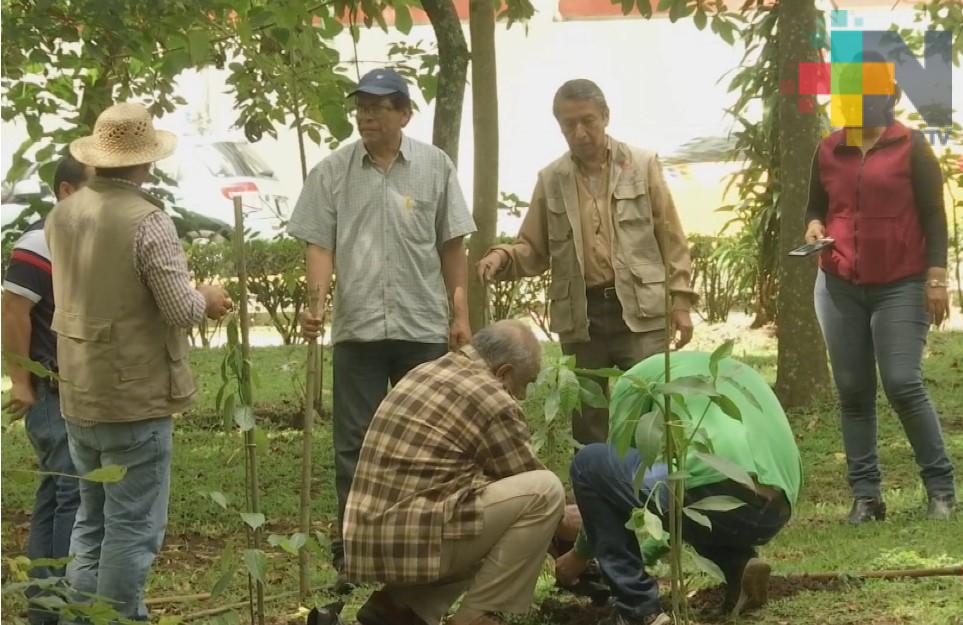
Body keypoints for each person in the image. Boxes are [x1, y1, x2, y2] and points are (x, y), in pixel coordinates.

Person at [44, 102, 233, 621]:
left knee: (92, 520)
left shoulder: (63, 214)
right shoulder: (148, 222)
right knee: (132, 525)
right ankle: (121, 617)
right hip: (134, 395)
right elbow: (180, 309)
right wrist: (206, 297)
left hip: (79, 390)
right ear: (147, 161)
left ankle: (84, 617)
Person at [289, 68, 476, 572]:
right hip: (359, 328)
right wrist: (316, 304)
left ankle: (426, 540)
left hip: (423, 327)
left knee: (429, 440)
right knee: (356, 442)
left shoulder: (435, 167)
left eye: (377, 108)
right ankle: (355, 546)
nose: (365, 116)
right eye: (361, 108)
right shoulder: (332, 172)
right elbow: (319, 245)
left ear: (404, 114)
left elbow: (452, 244)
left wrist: (460, 315)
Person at [476, 79, 696, 445]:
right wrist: (503, 256)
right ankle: (595, 480)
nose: (579, 132)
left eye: (587, 121)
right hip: (582, 314)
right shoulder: (551, 179)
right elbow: (533, 249)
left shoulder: (642, 165)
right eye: (569, 125)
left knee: (652, 403)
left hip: (640, 308)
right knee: (587, 414)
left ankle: (654, 480)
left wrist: (681, 302)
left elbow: (671, 237)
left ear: (605, 116)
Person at [804, 59, 956, 523]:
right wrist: (814, 227)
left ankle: (941, 490)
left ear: (889, 96)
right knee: (852, 390)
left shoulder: (911, 147)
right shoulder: (829, 148)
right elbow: (816, 206)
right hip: (838, 284)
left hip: (902, 283)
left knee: (902, 382)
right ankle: (866, 497)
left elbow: (934, 216)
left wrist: (936, 279)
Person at [342, 320, 565, 625]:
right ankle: (476, 617)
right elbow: (525, 476)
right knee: (546, 492)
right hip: (411, 538)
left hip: (369, 539)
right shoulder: (491, 396)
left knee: (475, 503)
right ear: (504, 372)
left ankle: (401, 606)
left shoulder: (427, 370)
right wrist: (578, 532)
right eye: (524, 384)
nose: (523, 396)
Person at [554, 352, 801, 625]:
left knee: (589, 464)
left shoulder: (633, 381)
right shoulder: (731, 372)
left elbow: (612, 482)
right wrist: (648, 553)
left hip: (712, 486)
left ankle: (637, 609)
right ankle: (740, 568)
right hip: (777, 507)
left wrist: (579, 555)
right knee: (697, 504)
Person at [2, 154, 91, 625]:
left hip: (70, 391)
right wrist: (21, 380)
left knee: (55, 493)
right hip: (51, 391)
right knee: (71, 494)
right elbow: (13, 311)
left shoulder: (79, 240)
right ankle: (62, 606)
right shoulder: (40, 241)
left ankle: (45, 605)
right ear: (66, 192)